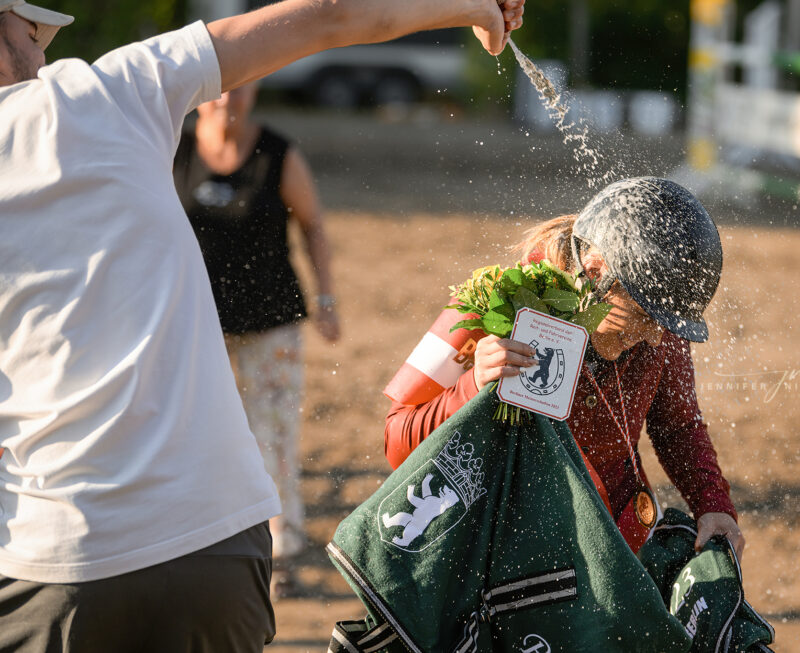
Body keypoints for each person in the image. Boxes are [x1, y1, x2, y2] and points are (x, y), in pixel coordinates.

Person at [0, 0, 524, 651]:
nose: (43, 51)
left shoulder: (119, 97)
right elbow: (325, 17)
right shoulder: (104, 90)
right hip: (211, 544)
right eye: (31, 31)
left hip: (55, 557)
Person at [384, 177, 745, 561]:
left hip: (609, 553)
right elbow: (397, 441)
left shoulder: (656, 314)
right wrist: (472, 384)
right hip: (502, 557)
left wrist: (713, 504)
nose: (658, 340)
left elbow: (678, 427)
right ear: (594, 272)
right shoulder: (488, 306)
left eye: (665, 324)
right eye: (643, 316)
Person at [173, 81, 339, 599]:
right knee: (199, 439)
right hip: (196, 326)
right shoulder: (172, 151)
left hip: (272, 323)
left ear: (256, 91)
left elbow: (313, 225)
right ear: (199, 94)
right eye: (219, 90)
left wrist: (326, 300)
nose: (230, 98)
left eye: (241, 89)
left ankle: (282, 550)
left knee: (272, 438)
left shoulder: (278, 154)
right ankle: (202, 545)